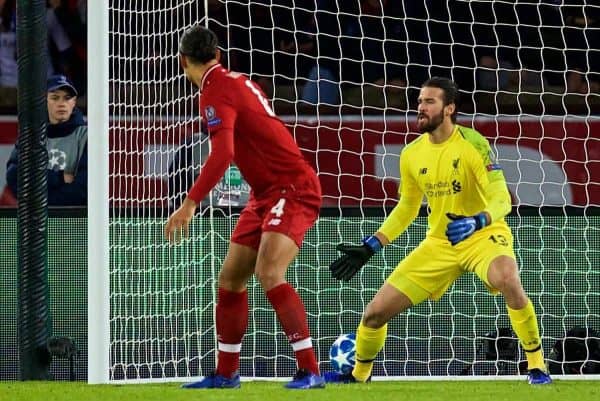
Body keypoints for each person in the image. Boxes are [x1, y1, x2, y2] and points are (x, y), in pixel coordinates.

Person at [324, 77, 552, 385]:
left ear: (449, 108)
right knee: (374, 315)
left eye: (429, 101)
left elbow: (501, 197)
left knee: (508, 278)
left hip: (482, 235)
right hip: (439, 243)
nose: (420, 107)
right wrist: (371, 246)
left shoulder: (473, 144)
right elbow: (406, 208)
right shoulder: (411, 154)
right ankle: (359, 375)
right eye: (419, 101)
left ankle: (536, 365)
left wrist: (479, 220)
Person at [163, 25, 324, 390]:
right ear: (217, 55)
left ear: (182, 60)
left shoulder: (214, 91)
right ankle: (226, 373)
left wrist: (189, 204)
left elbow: (223, 152)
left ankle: (310, 370)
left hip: (293, 187)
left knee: (269, 272)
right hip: (264, 192)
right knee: (232, 279)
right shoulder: (235, 80)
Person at [6, 74, 87, 206]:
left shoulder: (86, 137)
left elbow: (83, 187)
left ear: (74, 102)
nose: (62, 103)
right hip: (35, 221)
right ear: (44, 101)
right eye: (55, 98)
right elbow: (15, 177)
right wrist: (60, 177)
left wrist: (40, 201)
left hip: (75, 219)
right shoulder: (30, 136)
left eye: (67, 98)